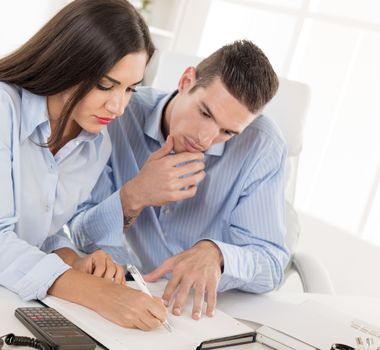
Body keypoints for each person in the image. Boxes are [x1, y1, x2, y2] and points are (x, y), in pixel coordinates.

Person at [0, 0, 168, 331]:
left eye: (130, 90)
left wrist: (75, 261)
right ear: (68, 63)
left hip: (1, 289)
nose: (118, 106)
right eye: (106, 85)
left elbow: (41, 231)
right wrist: (100, 294)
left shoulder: (96, 143)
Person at [69, 40, 290, 321]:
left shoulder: (262, 145)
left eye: (227, 133)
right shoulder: (119, 114)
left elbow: (271, 266)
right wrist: (134, 196)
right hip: (121, 298)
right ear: (186, 81)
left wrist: (217, 254)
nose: (205, 140)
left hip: (201, 313)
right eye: (205, 113)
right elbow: (79, 235)